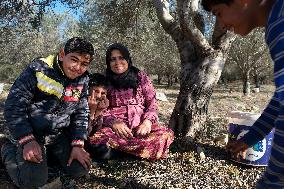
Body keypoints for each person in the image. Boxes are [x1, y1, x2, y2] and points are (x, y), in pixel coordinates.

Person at [201, 0, 283, 188]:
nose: (221, 25)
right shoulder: (276, 19)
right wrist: (250, 138)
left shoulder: (280, 25)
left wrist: (274, 180)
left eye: (218, 13)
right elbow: (280, 100)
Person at [1, 37, 94, 189]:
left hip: (57, 135)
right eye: (74, 60)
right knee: (31, 182)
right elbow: (13, 106)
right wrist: (27, 140)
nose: (78, 68)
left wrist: (78, 144)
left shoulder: (83, 80)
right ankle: (5, 147)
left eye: (84, 64)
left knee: (80, 169)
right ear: (63, 54)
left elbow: (81, 112)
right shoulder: (38, 70)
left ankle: (47, 154)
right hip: (32, 133)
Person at [88, 43, 174, 161]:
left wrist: (147, 122)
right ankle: (140, 153)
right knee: (97, 142)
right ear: (108, 63)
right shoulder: (105, 80)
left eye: (121, 58)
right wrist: (114, 122)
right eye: (112, 59)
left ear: (128, 59)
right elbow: (102, 108)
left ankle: (124, 153)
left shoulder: (141, 77)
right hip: (116, 131)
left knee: (164, 135)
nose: (117, 62)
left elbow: (152, 103)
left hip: (141, 129)